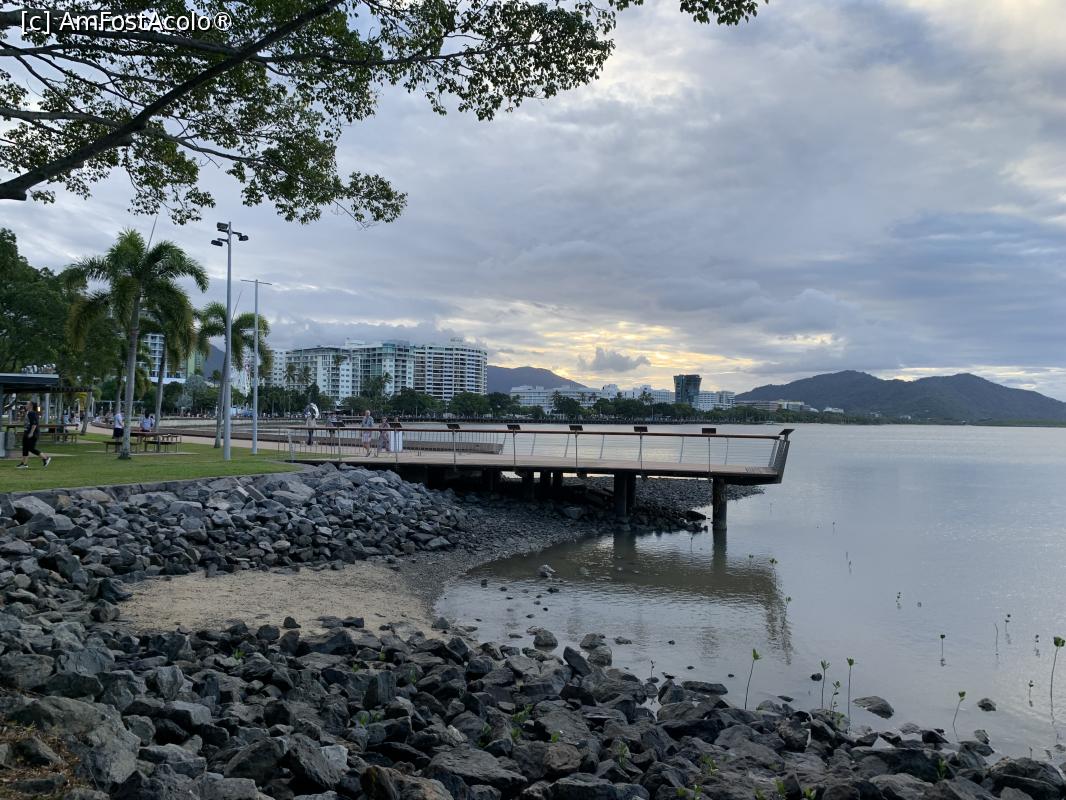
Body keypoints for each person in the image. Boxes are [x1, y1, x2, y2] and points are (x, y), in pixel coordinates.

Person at [17, 400, 51, 469]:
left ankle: (45, 458)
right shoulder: (28, 412)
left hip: (32, 433)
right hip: (27, 432)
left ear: (31, 406)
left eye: (27, 404)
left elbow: (34, 424)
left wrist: (31, 433)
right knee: (25, 448)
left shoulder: (32, 413)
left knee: (31, 448)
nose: (26, 405)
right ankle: (24, 464)